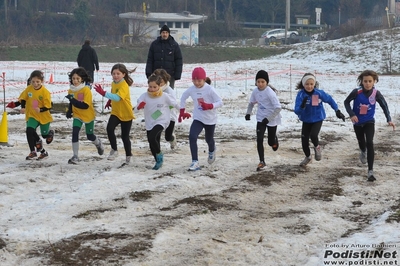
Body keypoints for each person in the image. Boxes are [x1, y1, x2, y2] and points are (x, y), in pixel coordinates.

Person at [343, 70, 395, 182]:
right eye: (365, 81)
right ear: (361, 81)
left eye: (370, 81)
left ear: (374, 81)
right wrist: (352, 114)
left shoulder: (376, 93)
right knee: (361, 142)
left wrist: (389, 119)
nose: (367, 83)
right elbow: (346, 102)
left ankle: (370, 171)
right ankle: (362, 150)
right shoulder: (356, 92)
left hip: (369, 121)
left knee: (370, 142)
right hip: (357, 122)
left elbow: (384, 105)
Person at [294, 72, 345, 167]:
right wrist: (302, 106)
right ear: (303, 84)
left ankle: (317, 148)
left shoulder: (318, 93)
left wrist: (337, 110)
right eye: (307, 84)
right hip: (306, 120)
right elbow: (297, 111)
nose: (309, 86)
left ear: (314, 84)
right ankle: (308, 157)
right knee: (304, 142)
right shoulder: (300, 95)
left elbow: (330, 99)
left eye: (311, 84)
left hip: (318, 118)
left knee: (313, 135)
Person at [179, 67, 223, 171]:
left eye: (199, 80)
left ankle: (212, 150)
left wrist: (210, 106)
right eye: (194, 80)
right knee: (192, 136)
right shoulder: (191, 89)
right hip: (198, 118)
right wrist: (182, 111)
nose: (197, 83)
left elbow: (220, 102)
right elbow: (183, 97)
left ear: (204, 79)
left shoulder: (210, 89)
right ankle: (195, 162)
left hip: (210, 119)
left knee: (209, 139)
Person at [6, 70, 54, 160]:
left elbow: (49, 106)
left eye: (37, 82)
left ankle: (49, 134)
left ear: (42, 81)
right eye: (33, 82)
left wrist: (41, 109)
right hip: (32, 115)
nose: (35, 84)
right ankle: (33, 151)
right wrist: (19, 106)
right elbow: (23, 99)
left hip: (44, 116)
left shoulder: (45, 92)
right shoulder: (29, 89)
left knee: (44, 135)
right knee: (29, 130)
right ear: (30, 81)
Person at [94, 64, 135, 165]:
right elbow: (113, 94)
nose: (116, 75)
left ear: (123, 74)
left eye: (118, 74)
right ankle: (114, 150)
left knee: (125, 137)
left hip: (126, 113)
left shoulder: (124, 85)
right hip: (116, 112)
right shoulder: (114, 83)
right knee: (109, 128)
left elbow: (117, 97)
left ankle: (129, 156)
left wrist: (104, 93)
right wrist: (109, 101)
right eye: (114, 73)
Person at [136, 74, 178, 170]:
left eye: (155, 87)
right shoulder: (144, 96)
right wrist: (139, 106)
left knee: (152, 137)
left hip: (162, 120)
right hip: (150, 121)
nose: (152, 89)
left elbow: (174, 104)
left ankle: (159, 155)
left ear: (159, 86)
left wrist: (183, 111)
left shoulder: (165, 96)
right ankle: (158, 161)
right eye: (150, 87)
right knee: (152, 142)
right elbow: (135, 109)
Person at [65, 67, 104, 164]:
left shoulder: (86, 90)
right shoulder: (71, 90)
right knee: (75, 133)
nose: (75, 81)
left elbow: (85, 106)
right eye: (73, 79)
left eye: (78, 79)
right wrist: (69, 111)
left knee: (89, 136)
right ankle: (75, 156)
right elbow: (71, 103)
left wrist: (73, 100)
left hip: (88, 116)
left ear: (82, 79)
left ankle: (98, 143)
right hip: (77, 116)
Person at [245, 70, 282, 171]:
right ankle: (262, 161)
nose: (260, 84)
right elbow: (251, 103)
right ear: (256, 82)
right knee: (259, 139)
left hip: (272, 118)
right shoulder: (255, 91)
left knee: (271, 143)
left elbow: (278, 108)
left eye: (263, 82)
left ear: (267, 82)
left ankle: (274, 140)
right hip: (261, 118)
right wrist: (248, 113)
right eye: (258, 82)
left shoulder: (270, 93)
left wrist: (269, 118)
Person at [152, 68, 177, 149]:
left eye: (161, 82)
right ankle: (157, 149)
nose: (159, 84)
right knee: (156, 133)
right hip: (157, 114)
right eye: (157, 82)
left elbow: (172, 105)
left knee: (167, 137)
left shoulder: (169, 91)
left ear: (166, 81)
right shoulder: (154, 89)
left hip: (170, 116)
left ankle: (172, 139)